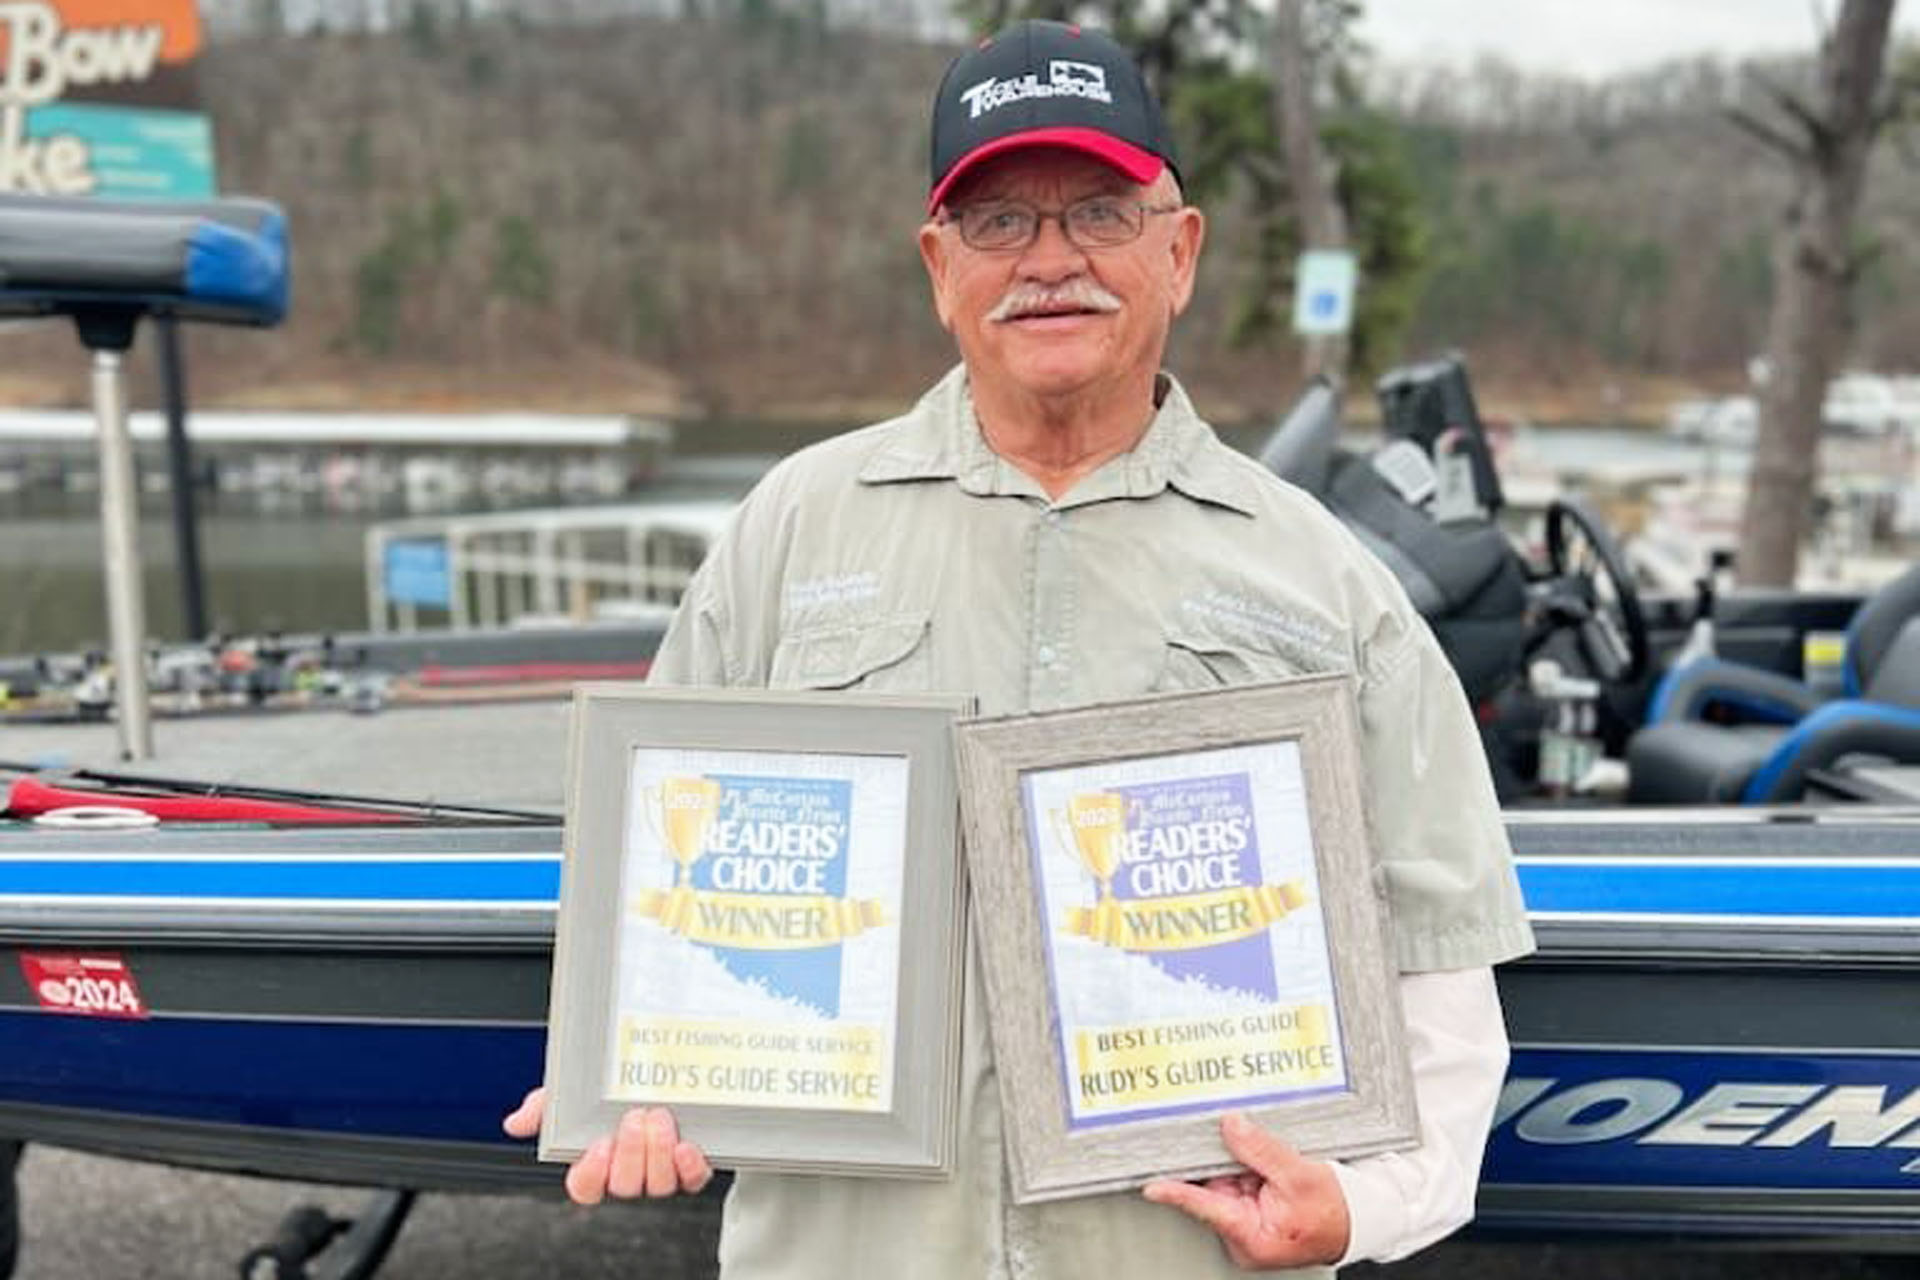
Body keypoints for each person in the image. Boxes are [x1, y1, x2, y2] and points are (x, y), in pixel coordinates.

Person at [505, 19, 1534, 1276]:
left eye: (1101, 213)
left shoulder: (1327, 580)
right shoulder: (790, 528)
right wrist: (640, 1083)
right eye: (998, 223)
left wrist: (1366, 1207)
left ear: (1182, 250)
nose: (1051, 261)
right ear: (940, 267)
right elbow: (657, 908)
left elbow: (1440, 971)